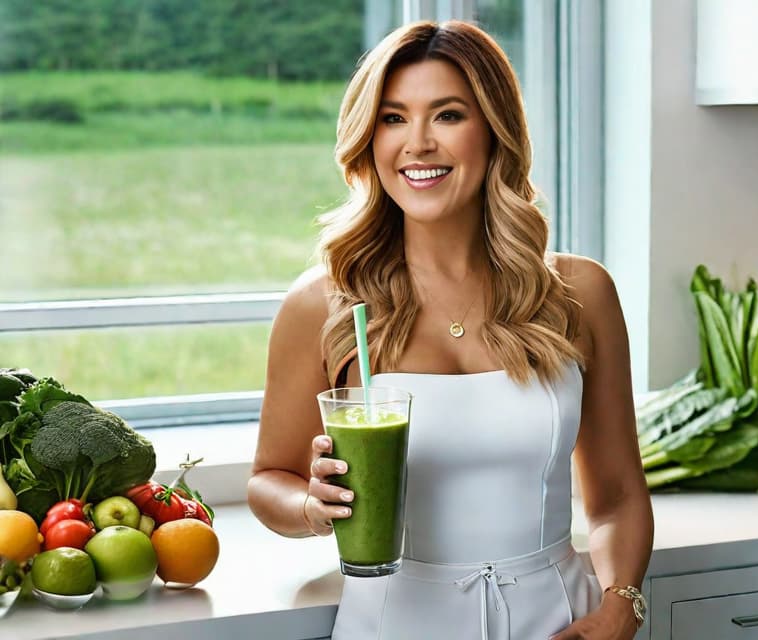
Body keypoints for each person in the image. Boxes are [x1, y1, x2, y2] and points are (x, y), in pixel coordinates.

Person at [247, 20, 654, 640]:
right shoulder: (324, 306)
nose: (417, 143)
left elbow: (619, 493)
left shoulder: (579, 294)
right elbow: (266, 480)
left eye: (447, 116)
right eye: (392, 118)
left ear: (494, 131)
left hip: (561, 622)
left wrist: (621, 606)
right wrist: (310, 506)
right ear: (368, 139)